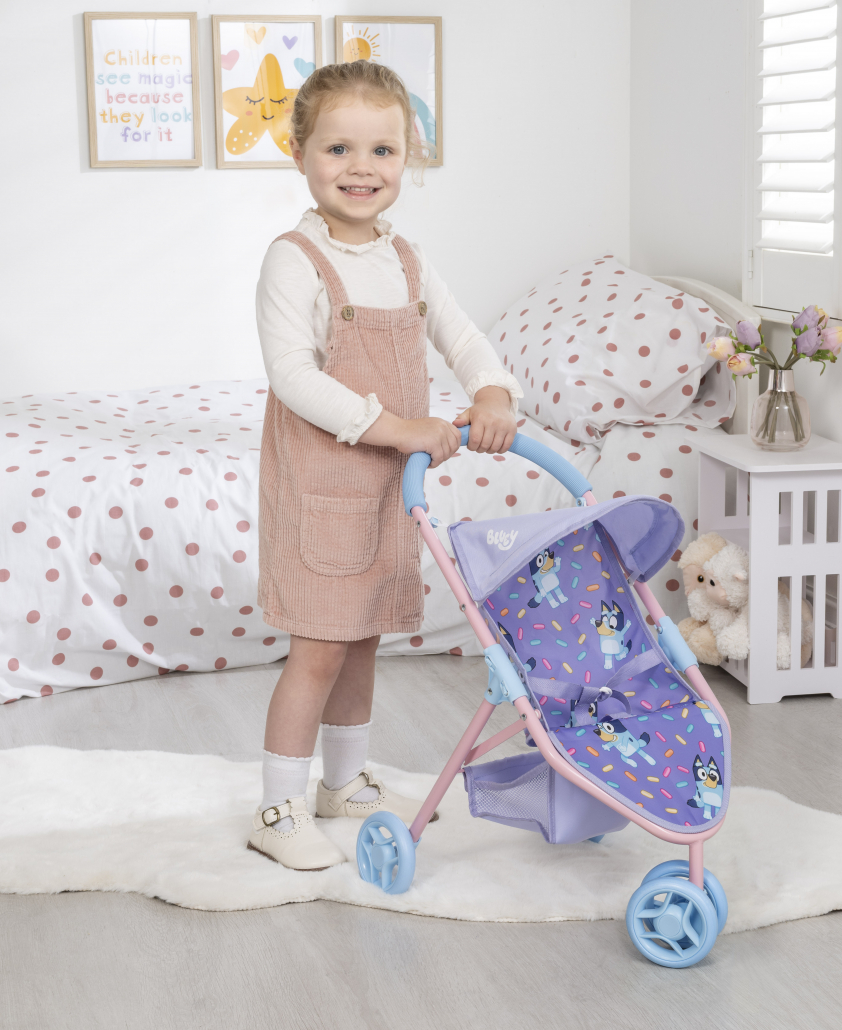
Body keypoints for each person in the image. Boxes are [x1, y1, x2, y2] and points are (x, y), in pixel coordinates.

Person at [248, 61, 520, 870]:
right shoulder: (295, 259)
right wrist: (400, 427)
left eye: (382, 150)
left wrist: (492, 389)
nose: (361, 168)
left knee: (363, 641)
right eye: (338, 148)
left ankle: (342, 784)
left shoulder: (406, 258)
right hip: (324, 487)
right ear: (300, 153)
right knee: (319, 649)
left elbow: (461, 334)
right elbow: (293, 378)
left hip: (384, 490)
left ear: (409, 158)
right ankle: (277, 808)